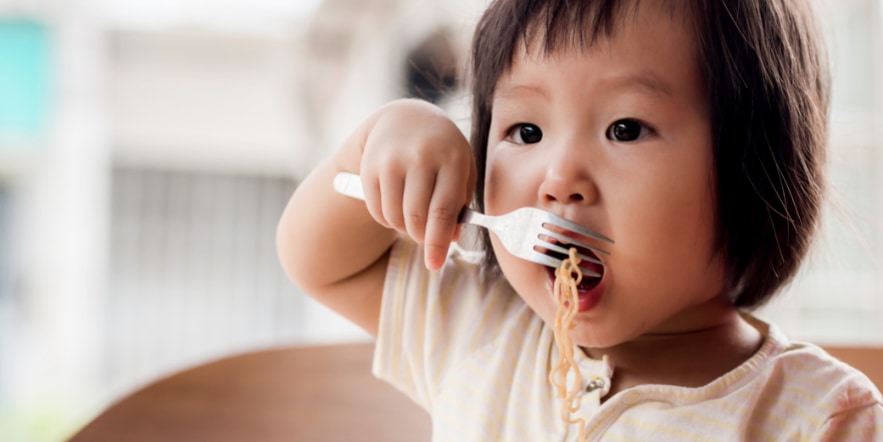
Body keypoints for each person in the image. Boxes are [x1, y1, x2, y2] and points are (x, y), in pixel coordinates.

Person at [277, 0, 883, 439]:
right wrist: (378, 140)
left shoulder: (819, 416)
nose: (558, 176)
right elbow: (319, 263)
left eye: (625, 128)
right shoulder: (479, 326)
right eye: (526, 131)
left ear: (751, 161)